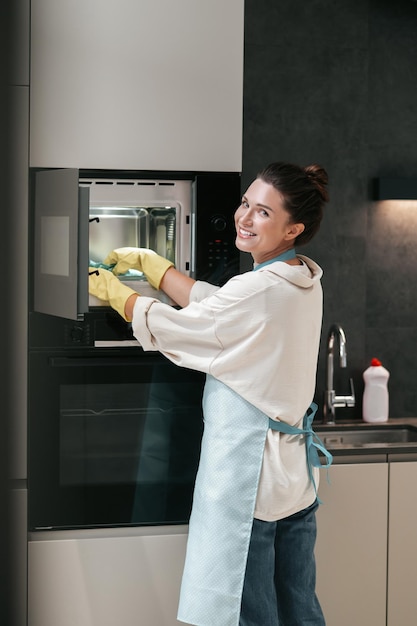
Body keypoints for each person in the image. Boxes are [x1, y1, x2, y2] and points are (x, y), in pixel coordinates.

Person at [89, 161, 332, 626]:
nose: (243, 218)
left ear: (292, 228)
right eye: (245, 203)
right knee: (297, 609)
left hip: (250, 484)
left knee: (249, 615)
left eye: (262, 213)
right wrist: (156, 270)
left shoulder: (260, 288)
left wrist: (120, 296)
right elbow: (223, 309)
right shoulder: (301, 278)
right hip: (292, 481)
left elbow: (192, 328)